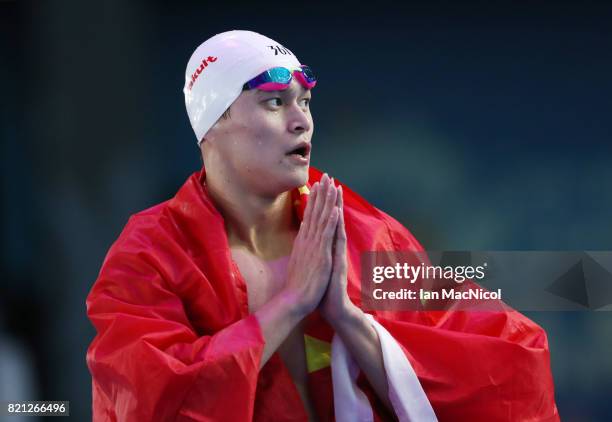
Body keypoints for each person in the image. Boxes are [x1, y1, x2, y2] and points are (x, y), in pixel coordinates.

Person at [86, 30, 559, 421]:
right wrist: (290, 306)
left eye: (305, 102)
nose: (302, 122)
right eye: (275, 103)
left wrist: (351, 321)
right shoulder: (150, 256)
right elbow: (148, 402)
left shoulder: (360, 233)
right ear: (212, 124)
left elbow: (512, 363)